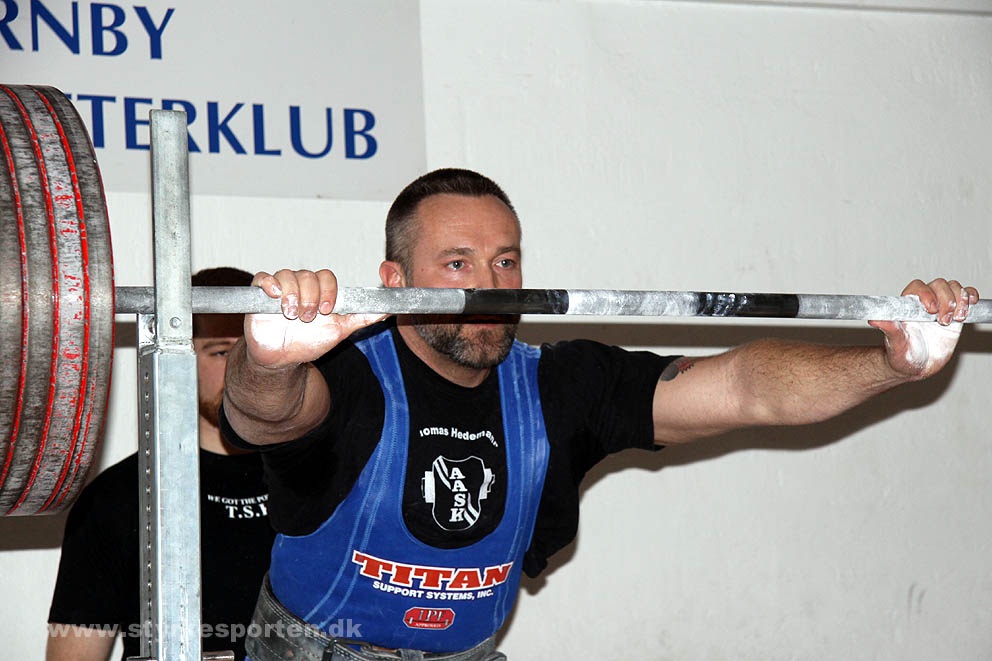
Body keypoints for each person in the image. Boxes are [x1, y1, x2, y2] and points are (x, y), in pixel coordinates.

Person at [219, 168, 979, 661]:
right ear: (394, 280)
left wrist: (891, 363)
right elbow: (266, 418)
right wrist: (270, 361)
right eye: (457, 263)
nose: (491, 287)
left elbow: (748, 387)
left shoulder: (563, 382)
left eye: (506, 261)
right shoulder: (350, 371)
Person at [47, 267, 277, 661]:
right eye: (221, 352)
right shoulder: (119, 497)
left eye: (253, 349)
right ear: (181, 358)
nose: (241, 368)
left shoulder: (317, 483)